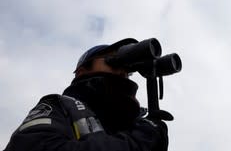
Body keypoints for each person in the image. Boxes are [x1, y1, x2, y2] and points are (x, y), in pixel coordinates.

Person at [3, 38, 169, 151]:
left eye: (126, 68)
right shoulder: (59, 105)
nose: (122, 69)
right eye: (112, 60)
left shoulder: (135, 126)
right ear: (81, 71)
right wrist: (139, 142)